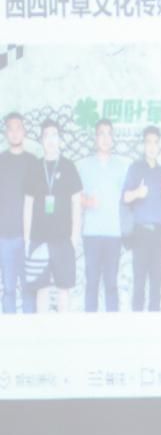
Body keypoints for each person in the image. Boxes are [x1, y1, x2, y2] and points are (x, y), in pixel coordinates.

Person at [22, 120, 82, 314]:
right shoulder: (34, 167)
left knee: (64, 288)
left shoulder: (69, 167)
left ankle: (63, 329)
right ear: (41, 139)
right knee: (42, 289)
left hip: (63, 239)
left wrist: (74, 237)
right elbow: (28, 205)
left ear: (60, 139)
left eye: (54, 135)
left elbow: (76, 203)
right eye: (46, 135)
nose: (51, 139)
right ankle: (43, 330)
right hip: (38, 238)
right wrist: (27, 238)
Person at [77, 118, 129, 313]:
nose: (105, 138)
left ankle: (113, 327)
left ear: (113, 138)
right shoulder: (84, 166)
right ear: (95, 137)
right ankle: (90, 327)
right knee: (91, 283)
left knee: (111, 284)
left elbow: (127, 198)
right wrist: (86, 201)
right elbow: (76, 197)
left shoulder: (121, 166)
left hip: (114, 234)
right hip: (91, 233)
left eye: (109, 134)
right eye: (101, 133)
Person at [122, 125, 161, 312]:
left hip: (159, 235)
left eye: (155, 143)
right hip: (140, 233)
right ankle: (136, 324)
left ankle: (154, 324)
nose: (152, 147)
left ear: (159, 146)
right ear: (143, 145)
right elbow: (125, 198)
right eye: (148, 142)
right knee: (139, 282)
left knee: (156, 283)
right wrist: (137, 193)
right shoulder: (135, 168)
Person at [1, 112, 39, 314]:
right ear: (5, 133)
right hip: (4, 237)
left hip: (28, 237)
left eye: (18, 128)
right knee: (8, 289)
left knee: (29, 289)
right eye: (11, 129)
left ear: (24, 131)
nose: (15, 132)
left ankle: (30, 332)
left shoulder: (33, 162)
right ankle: (7, 331)